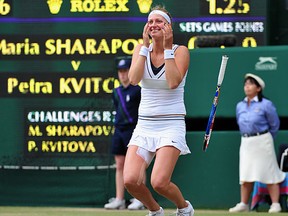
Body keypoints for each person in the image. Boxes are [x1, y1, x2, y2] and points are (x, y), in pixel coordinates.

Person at [123, 5, 194, 216]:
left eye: (159, 21)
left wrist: (168, 48)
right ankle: (155, 211)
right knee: (130, 181)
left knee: (159, 182)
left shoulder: (181, 51)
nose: (154, 25)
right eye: (150, 21)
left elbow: (173, 82)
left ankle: (184, 208)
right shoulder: (139, 49)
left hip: (171, 125)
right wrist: (145, 48)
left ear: (168, 27)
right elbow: (134, 80)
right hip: (144, 126)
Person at [229, 73, 286, 213]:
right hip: (246, 142)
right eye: (245, 84)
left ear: (259, 88)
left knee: (269, 172)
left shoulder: (266, 104)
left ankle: (275, 204)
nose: (247, 86)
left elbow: (274, 124)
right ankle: (243, 203)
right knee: (245, 173)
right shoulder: (239, 105)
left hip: (263, 141)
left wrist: (264, 138)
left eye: (250, 84)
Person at [104, 57, 144, 210]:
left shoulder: (138, 90)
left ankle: (139, 199)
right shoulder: (116, 91)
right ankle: (120, 199)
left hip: (133, 130)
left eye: (125, 71)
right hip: (119, 131)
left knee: (137, 165)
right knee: (119, 165)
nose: (122, 74)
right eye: (120, 71)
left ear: (130, 70)